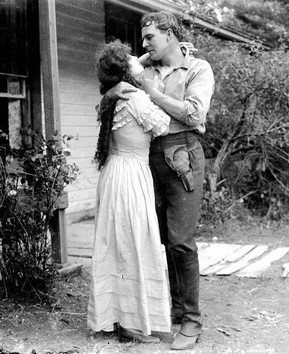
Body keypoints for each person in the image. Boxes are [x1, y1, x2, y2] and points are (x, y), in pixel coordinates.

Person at [103, 11, 215, 351]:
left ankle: (192, 320)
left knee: (181, 239)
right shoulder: (146, 68)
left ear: (169, 34)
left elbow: (195, 114)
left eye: (150, 36)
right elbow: (114, 70)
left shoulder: (198, 68)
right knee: (161, 237)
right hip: (149, 157)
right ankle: (175, 310)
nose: (144, 43)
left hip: (183, 154)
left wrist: (151, 93)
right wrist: (112, 94)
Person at [87, 40, 172, 344]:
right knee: (134, 243)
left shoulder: (112, 96)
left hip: (113, 174)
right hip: (131, 176)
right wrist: (153, 90)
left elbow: (138, 62)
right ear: (125, 69)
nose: (140, 58)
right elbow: (162, 125)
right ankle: (134, 323)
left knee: (118, 245)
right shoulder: (135, 97)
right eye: (131, 58)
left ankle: (119, 318)